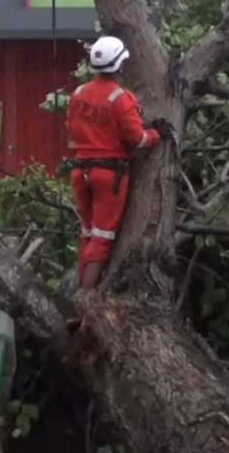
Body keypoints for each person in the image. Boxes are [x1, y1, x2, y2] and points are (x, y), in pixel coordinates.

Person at [67, 36, 171, 290]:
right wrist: (156, 134)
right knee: (102, 237)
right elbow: (138, 140)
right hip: (109, 175)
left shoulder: (79, 94)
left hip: (80, 171)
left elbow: (72, 130)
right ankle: (86, 299)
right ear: (120, 65)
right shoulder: (120, 98)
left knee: (88, 233)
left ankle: (80, 288)